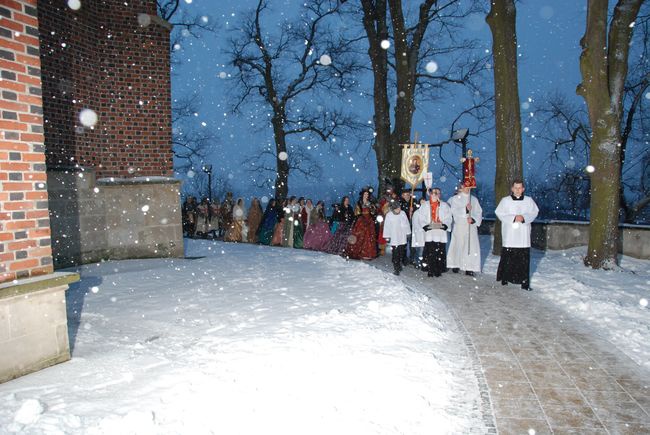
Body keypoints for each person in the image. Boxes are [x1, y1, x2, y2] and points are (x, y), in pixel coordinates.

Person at [495, 179, 539, 291]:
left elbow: (534, 212)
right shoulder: (505, 201)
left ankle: (524, 282)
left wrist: (524, 217)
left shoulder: (529, 201)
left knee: (523, 260)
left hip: (523, 234)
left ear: (523, 189)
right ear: (512, 189)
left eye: (520, 188)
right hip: (510, 233)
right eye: (516, 188)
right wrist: (514, 218)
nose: (518, 190)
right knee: (508, 258)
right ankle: (505, 278)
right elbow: (499, 213)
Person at [413, 188, 452, 277]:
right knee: (430, 252)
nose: (435, 194)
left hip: (440, 231)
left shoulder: (444, 205)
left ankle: (438, 270)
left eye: (437, 193)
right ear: (430, 194)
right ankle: (430, 269)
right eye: (434, 193)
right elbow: (421, 217)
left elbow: (449, 217)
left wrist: (445, 224)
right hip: (430, 231)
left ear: (440, 195)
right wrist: (425, 225)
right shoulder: (425, 205)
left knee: (440, 252)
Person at [447, 184, 483, 276]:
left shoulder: (474, 199)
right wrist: (465, 210)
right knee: (458, 245)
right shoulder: (455, 199)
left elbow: (478, 212)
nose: (467, 189)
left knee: (470, 247)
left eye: (468, 187)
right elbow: (452, 211)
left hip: (470, 227)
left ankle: (469, 267)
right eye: (465, 187)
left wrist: (473, 219)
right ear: (461, 187)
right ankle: (456, 264)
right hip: (460, 226)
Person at [345, 189, 377, 260]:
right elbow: (356, 212)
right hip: (361, 220)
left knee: (369, 236)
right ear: (362, 194)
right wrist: (360, 215)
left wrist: (371, 208)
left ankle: (367, 253)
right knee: (359, 235)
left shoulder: (370, 202)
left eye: (367, 194)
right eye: (365, 194)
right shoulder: (359, 202)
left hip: (369, 220)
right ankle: (358, 252)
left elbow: (373, 211)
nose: (366, 195)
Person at [383, 201, 411, 275]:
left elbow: (406, 223)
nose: (399, 209)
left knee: (401, 252)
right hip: (394, 236)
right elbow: (387, 226)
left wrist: (408, 233)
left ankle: (399, 264)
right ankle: (396, 268)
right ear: (393, 209)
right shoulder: (389, 215)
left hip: (402, 236)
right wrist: (387, 236)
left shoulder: (403, 213)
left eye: (399, 208)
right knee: (395, 253)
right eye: (397, 208)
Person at [399, 189, 415, 265]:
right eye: (405, 195)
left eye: (408, 195)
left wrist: (413, 210)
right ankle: (403, 258)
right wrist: (408, 210)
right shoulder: (399, 203)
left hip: (412, 225)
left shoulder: (413, 202)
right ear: (402, 195)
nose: (407, 196)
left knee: (412, 243)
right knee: (404, 242)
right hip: (403, 226)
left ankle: (412, 258)